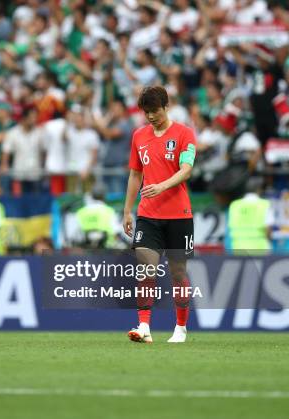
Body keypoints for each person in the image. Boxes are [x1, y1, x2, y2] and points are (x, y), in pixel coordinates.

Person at [123, 86, 197, 344]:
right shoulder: (139, 136)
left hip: (179, 215)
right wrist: (127, 211)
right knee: (146, 269)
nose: (151, 117)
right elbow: (135, 174)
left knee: (177, 273)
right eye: (146, 112)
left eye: (154, 111)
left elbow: (186, 170)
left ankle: (181, 327)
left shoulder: (185, 134)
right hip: (148, 214)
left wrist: (162, 185)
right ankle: (144, 326)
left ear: (167, 106)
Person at [227, 179, 274, 255]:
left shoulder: (235, 205)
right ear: (259, 189)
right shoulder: (264, 204)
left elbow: (230, 227)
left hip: (238, 247)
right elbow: (268, 229)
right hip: (259, 248)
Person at [75, 185, 120, 249]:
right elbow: (116, 232)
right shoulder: (109, 211)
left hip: (85, 251)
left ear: (92, 195)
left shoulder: (81, 212)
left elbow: (75, 235)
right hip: (107, 251)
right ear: (104, 196)